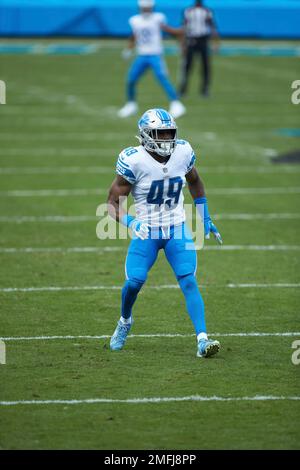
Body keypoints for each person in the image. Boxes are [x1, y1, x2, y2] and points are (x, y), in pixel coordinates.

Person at [107, 108, 223, 358]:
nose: (167, 139)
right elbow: (112, 205)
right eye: (161, 134)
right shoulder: (133, 159)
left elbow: (195, 182)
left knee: (189, 280)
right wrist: (131, 222)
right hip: (147, 230)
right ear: (147, 135)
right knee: (133, 283)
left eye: (170, 133)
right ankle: (125, 321)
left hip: (176, 228)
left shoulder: (183, 152)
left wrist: (205, 216)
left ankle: (203, 340)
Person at [118, 0, 186, 119]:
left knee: (162, 78)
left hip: (155, 54)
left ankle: (176, 104)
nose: (146, 10)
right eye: (144, 8)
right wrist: (129, 49)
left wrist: (179, 35)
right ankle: (131, 104)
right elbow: (134, 35)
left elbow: (168, 30)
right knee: (131, 79)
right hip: (142, 55)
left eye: (148, 8)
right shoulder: (135, 20)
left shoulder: (157, 18)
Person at [179, 0, 219, 97]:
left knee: (205, 66)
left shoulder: (207, 11)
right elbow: (184, 27)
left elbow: (212, 27)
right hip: (191, 39)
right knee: (187, 66)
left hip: (203, 40)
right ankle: (183, 89)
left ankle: (205, 89)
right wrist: (183, 44)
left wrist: (215, 42)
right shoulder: (188, 11)